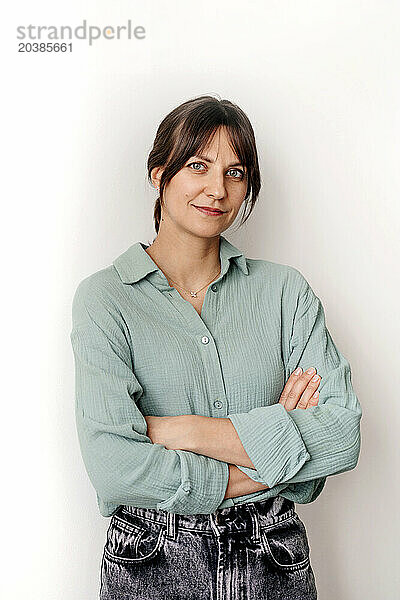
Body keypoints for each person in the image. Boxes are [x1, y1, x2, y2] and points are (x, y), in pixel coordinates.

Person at [70, 95, 362, 599]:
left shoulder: (284, 292)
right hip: (152, 559)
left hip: (273, 555)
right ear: (159, 176)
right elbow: (114, 466)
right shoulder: (105, 299)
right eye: (198, 166)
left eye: (236, 172)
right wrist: (277, 455)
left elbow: (342, 434)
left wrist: (182, 431)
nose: (217, 189)